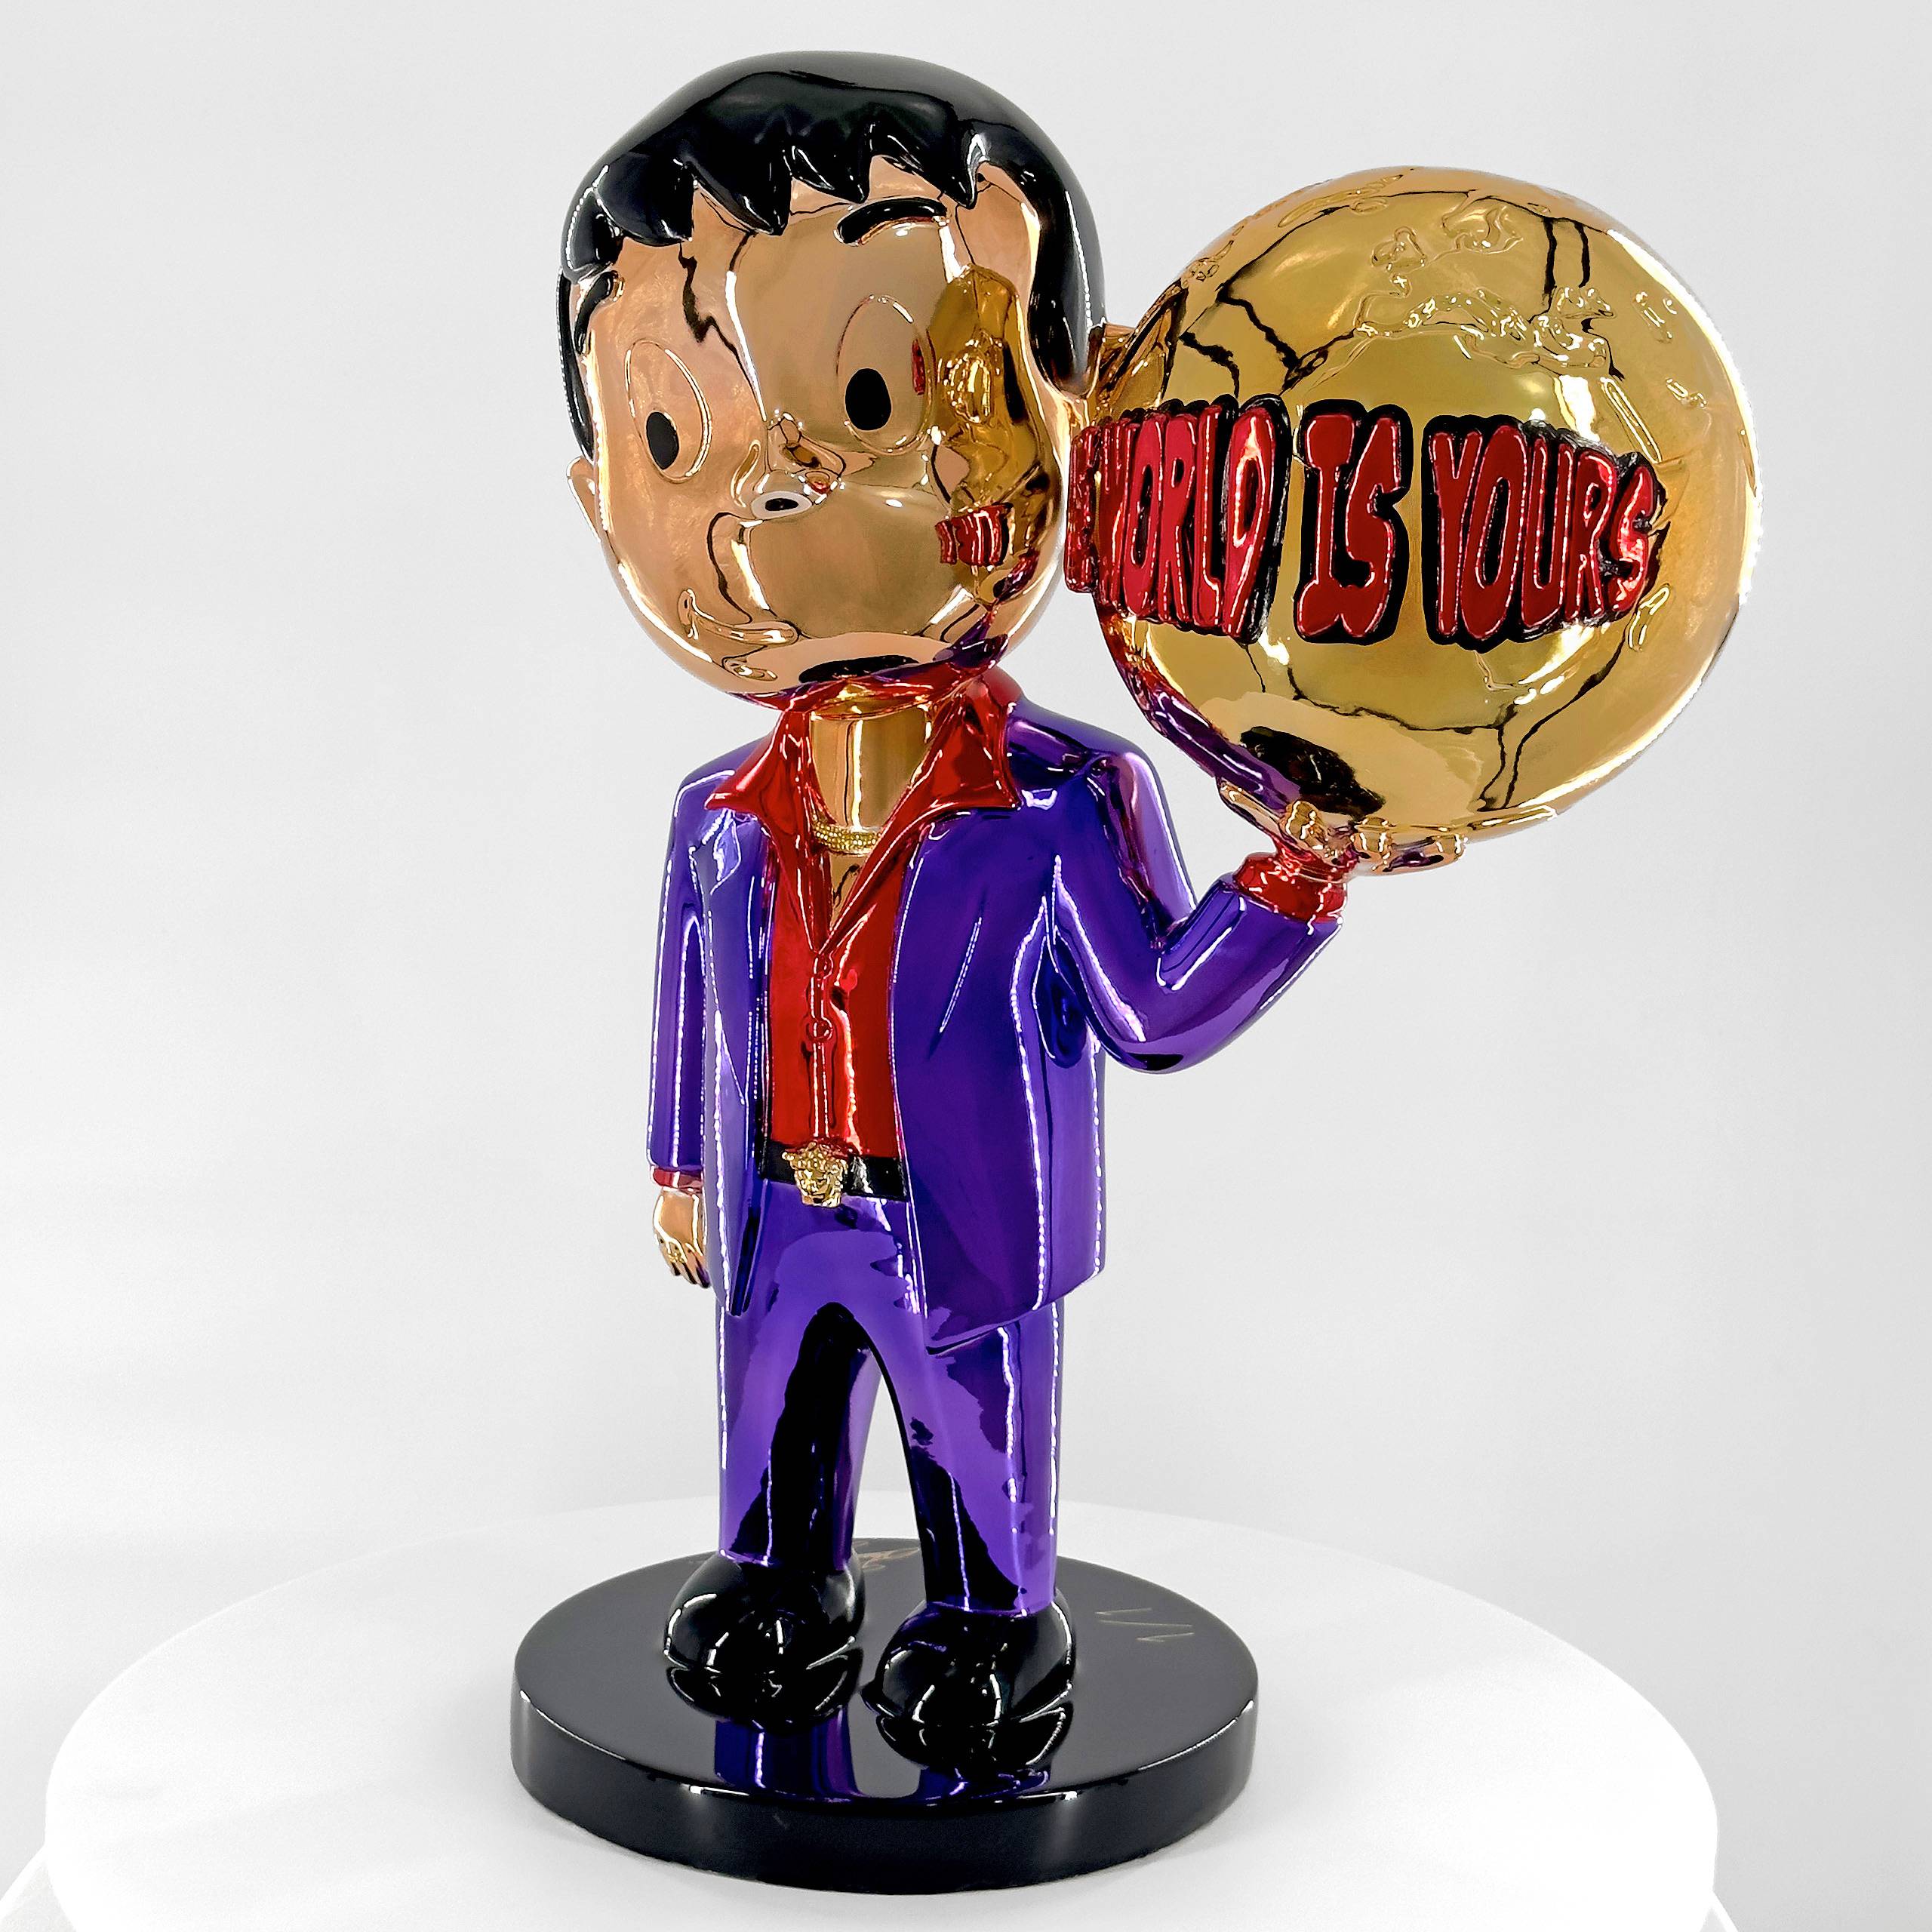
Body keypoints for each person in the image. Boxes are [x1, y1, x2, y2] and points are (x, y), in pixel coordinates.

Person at [558, 52, 1351, 1753]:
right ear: (595, 492)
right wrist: (680, 1164)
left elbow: (1152, 1011)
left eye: (873, 400)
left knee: (969, 1424)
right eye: (673, 436)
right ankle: (779, 1580)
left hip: (962, 1209)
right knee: (768, 1416)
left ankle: (998, 1617)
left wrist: (1296, 872)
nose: (774, 496)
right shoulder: (716, 819)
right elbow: (690, 1003)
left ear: (1078, 422)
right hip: (776, 1203)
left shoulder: (1060, 801)